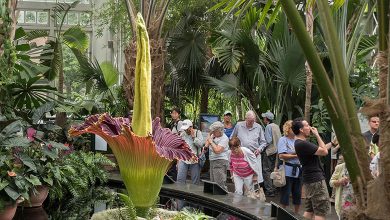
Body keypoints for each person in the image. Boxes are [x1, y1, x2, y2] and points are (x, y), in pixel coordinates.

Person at [292, 118, 331, 220]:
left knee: (310, 211)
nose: (310, 127)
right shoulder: (302, 143)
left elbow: (321, 150)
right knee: (320, 212)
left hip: (310, 180)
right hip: (316, 180)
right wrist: (317, 135)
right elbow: (324, 152)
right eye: (307, 125)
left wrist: (333, 143)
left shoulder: (300, 143)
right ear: (301, 129)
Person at [231, 110, 265, 190]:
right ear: (245, 119)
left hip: (254, 155)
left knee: (254, 179)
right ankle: (241, 195)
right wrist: (235, 149)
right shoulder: (239, 125)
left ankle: (252, 196)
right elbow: (232, 138)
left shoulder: (258, 127)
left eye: (253, 121)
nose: (251, 123)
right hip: (240, 155)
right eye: (249, 121)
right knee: (240, 176)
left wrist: (259, 149)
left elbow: (263, 142)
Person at [277, 120, 302, 214]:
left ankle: (297, 214)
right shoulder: (283, 140)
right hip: (287, 171)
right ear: (288, 129)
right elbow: (281, 155)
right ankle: (282, 214)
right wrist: (295, 155)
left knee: (298, 194)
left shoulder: (298, 140)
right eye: (293, 127)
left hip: (298, 170)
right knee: (285, 194)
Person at [261, 110, 281, 197]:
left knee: (266, 170)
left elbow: (268, 141)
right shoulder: (276, 126)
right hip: (277, 151)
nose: (263, 119)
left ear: (266, 119)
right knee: (273, 169)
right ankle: (274, 188)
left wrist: (262, 148)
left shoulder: (268, 127)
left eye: (264, 118)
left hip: (269, 151)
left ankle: (269, 190)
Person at [177, 119, 203, 184]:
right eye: (184, 129)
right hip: (183, 158)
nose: (186, 130)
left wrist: (193, 137)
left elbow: (201, 145)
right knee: (180, 179)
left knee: (195, 181)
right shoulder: (182, 134)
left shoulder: (198, 133)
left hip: (194, 159)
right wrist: (177, 161)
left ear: (191, 127)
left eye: (187, 129)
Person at [205, 121, 230, 189]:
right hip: (212, 160)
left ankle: (222, 199)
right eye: (212, 131)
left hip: (220, 161)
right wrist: (206, 146)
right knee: (213, 183)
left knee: (219, 184)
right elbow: (207, 141)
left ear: (220, 131)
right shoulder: (214, 135)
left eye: (214, 131)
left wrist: (211, 141)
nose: (213, 132)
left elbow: (217, 150)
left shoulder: (224, 138)